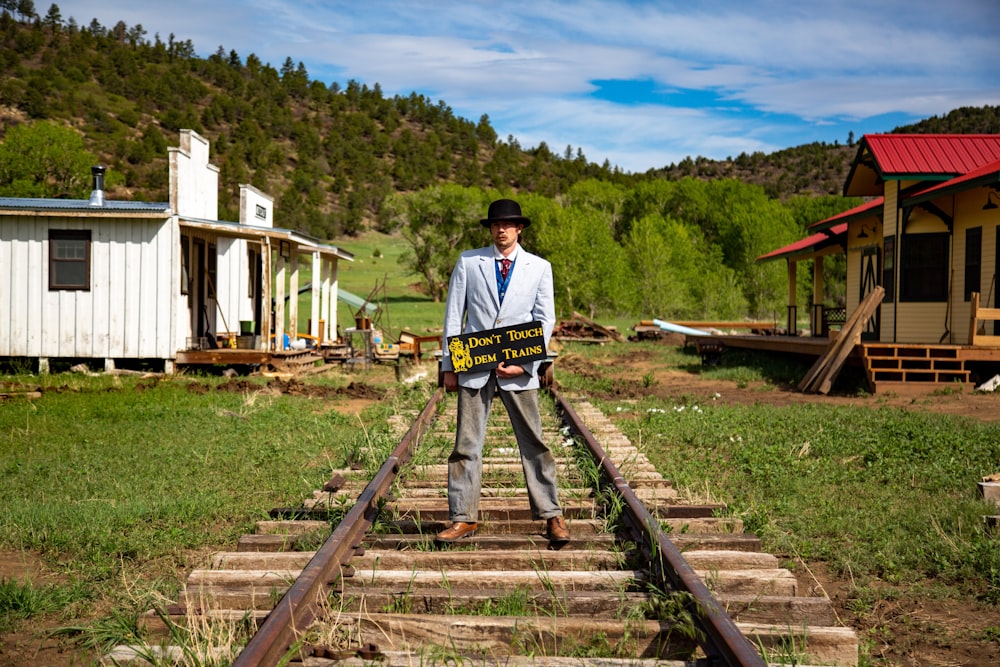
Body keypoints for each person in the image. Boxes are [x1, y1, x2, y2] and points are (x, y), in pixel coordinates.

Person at [436, 198, 569, 544]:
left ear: (519, 228)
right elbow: (454, 315)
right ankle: (463, 517)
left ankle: (552, 515)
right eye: (496, 225)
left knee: (534, 443)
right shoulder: (469, 262)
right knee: (466, 444)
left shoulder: (539, 267)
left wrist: (526, 364)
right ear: (490, 228)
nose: (501, 230)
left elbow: (545, 319)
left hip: (518, 369)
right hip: (475, 367)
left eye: (508, 225)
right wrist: (449, 365)